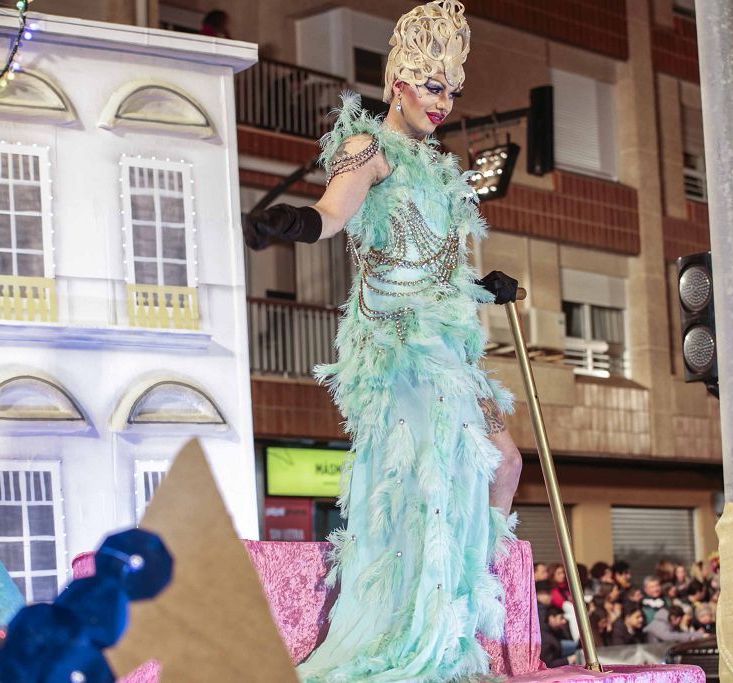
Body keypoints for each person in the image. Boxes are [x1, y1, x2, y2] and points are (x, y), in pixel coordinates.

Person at [244, 3, 525, 679]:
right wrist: (297, 225)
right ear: (399, 81)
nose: (444, 102)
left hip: (447, 346)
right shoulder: (367, 149)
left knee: (504, 464)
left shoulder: (438, 168)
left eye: (452, 89)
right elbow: (335, 211)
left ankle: (457, 604)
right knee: (427, 482)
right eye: (433, 85)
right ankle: (416, 634)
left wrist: (485, 282)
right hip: (399, 346)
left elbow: (437, 261)